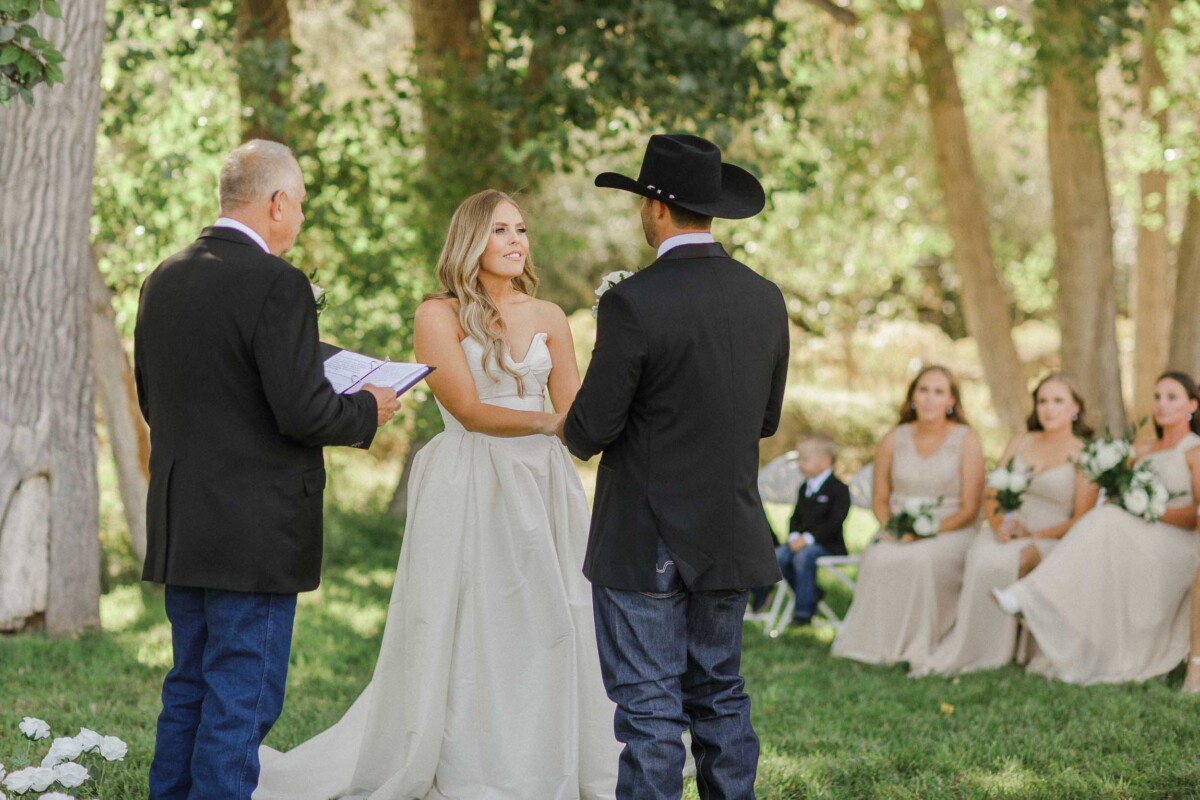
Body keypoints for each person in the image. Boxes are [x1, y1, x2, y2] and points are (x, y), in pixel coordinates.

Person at [255, 189, 621, 799]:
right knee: (470, 614)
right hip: (473, 478)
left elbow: (576, 410)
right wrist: (546, 426)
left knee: (554, 618)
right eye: (500, 229)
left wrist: (621, 355)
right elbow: (469, 410)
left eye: (521, 230)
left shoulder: (553, 316)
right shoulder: (438, 314)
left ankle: (545, 755)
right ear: (471, 239)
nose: (515, 241)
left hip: (543, 482)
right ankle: (465, 758)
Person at [135, 140, 400, 800]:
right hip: (253, 532)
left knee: (190, 688)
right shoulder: (276, 283)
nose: (302, 217)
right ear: (277, 202)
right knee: (240, 700)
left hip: (182, 521)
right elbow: (304, 412)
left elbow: (154, 399)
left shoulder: (163, 277)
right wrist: (368, 407)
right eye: (302, 204)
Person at [560, 133, 790, 800]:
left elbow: (588, 430)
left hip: (645, 535)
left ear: (657, 209)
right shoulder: (764, 297)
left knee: (651, 710)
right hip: (729, 529)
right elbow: (766, 420)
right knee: (720, 694)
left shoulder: (633, 302)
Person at [992, 372, 1200, 685]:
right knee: (1104, 527)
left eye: (1172, 397)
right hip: (1135, 534)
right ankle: (1081, 653)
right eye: (1157, 397)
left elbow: (1194, 517)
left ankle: (1029, 595)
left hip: (1177, 543)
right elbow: (1115, 494)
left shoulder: (1194, 451)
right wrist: (1127, 500)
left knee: (1106, 520)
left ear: (1192, 405)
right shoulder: (1141, 450)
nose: (1161, 405)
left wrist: (1150, 509)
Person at [914, 374, 1097, 677]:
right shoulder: (1020, 441)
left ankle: (1006, 649)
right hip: (1008, 527)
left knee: (1013, 558)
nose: (1048, 409)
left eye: (1058, 401)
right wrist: (1000, 523)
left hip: (1054, 537)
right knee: (984, 555)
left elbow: (1081, 518)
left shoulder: (1085, 453)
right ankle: (972, 648)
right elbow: (992, 492)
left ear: (1075, 408)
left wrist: (1033, 534)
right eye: (1042, 401)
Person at [831, 365, 985, 668]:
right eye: (923, 390)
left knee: (922, 559)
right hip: (899, 526)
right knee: (879, 556)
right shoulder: (892, 439)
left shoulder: (966, 440)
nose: (929, 399)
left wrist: (928, 532)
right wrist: (894, 529)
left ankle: (921, 642)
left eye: (938, 392)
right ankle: (875, 645)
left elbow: (970, 508)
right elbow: (880, 499)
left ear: (951, 401)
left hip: (952, 529)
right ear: (912, 396)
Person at [750, 434, 850, 626]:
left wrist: (808, 539)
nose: (800, 464)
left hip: (826, 544)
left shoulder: (839, 490)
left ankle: (803, 612)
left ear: (825, 461)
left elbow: (834, 523)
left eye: (804, 459)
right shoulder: (805, 487)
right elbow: (795, 517)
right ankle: (809, 593)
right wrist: (794, 536)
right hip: (800, 542)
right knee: (777, 556)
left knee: (804, 557)